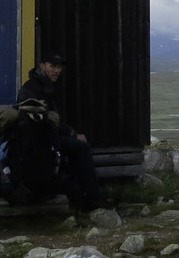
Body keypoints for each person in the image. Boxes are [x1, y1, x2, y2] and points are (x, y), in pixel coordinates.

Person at [9, 52, 109, 212]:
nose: (56, 70)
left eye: (59, 67)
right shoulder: (32, 89)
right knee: (81, 148)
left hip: (47, 137)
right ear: (42, 66)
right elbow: (43, 119)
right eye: (52, 66)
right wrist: (73, 134)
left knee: (78, 149)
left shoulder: (45, 86)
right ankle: (93, 200)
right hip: (38, 140)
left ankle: (85, 197)